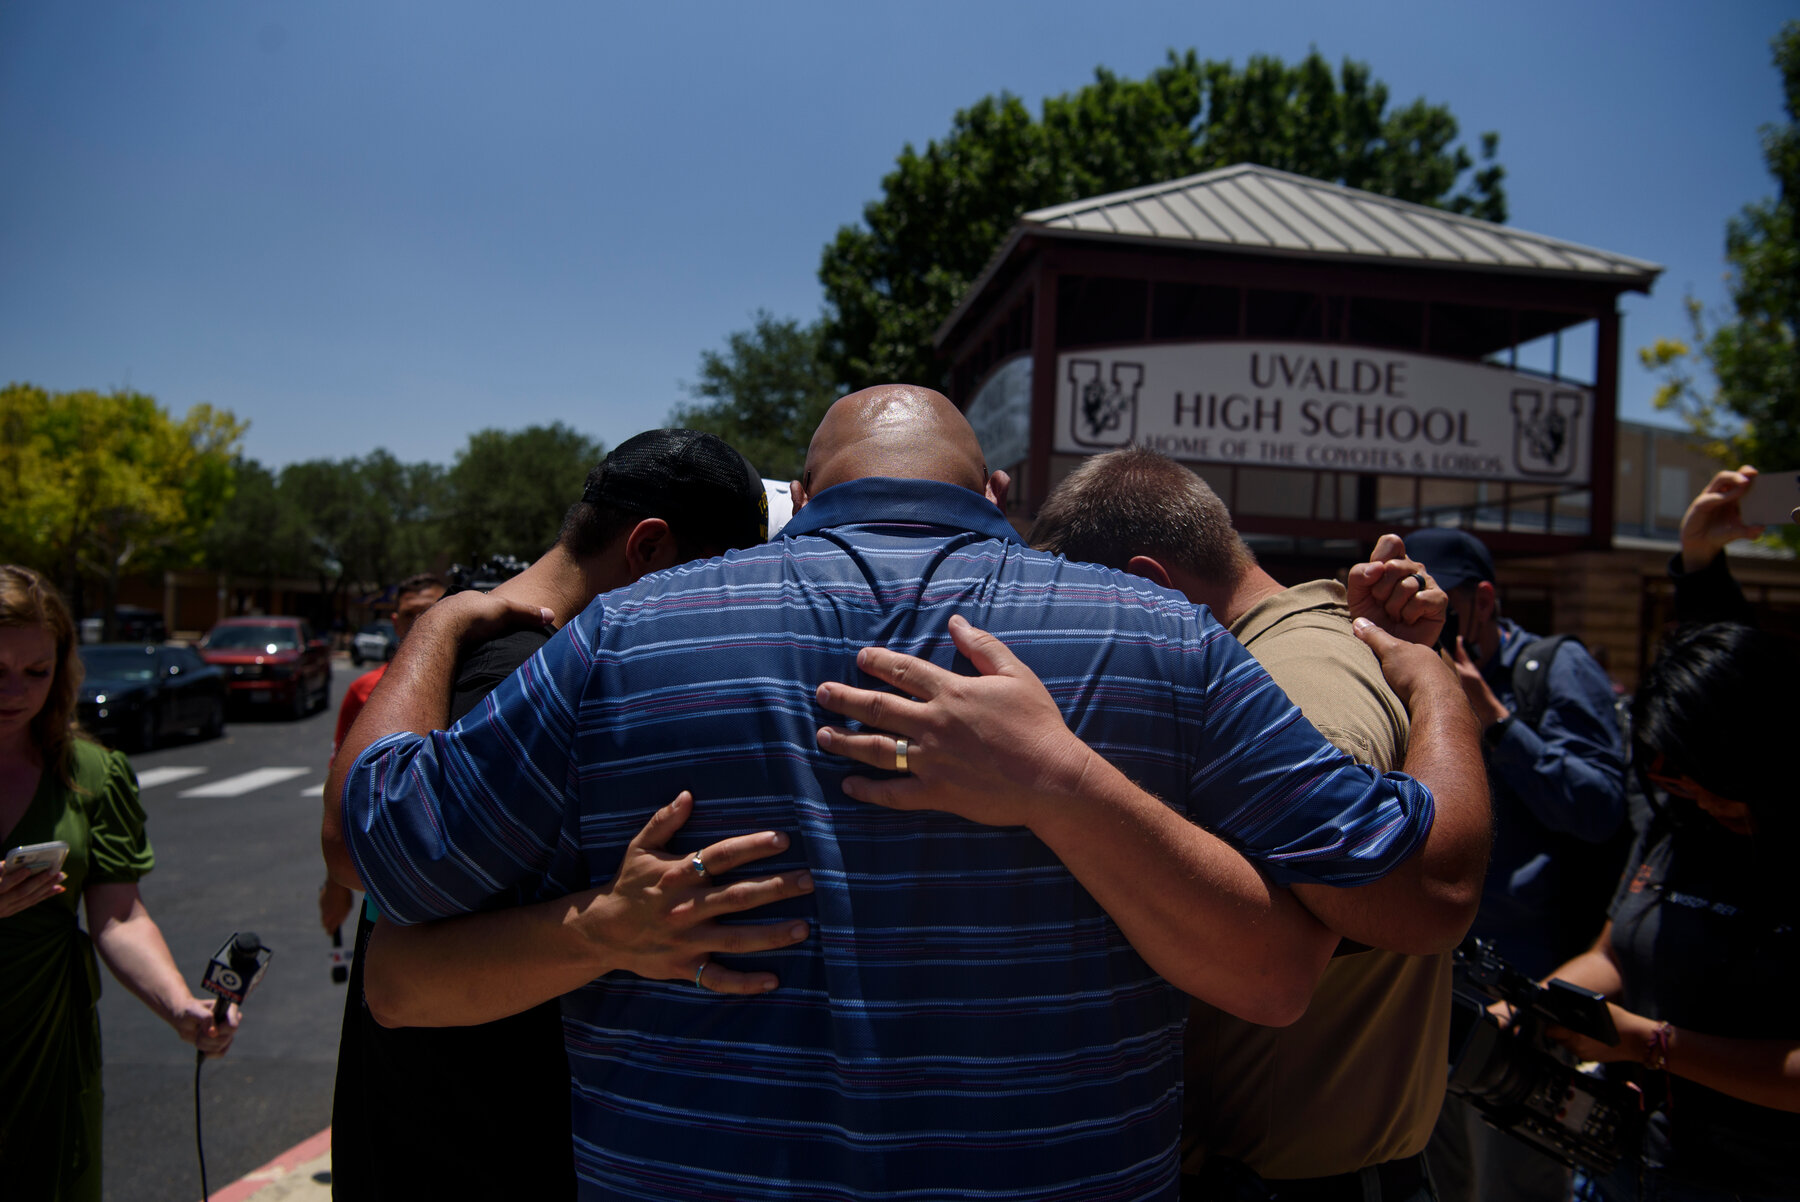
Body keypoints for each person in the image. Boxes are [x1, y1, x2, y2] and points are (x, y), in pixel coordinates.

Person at [326, 386, 1477, 1200]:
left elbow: (391, 847)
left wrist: (434, 629)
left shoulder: (625, 634)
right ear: (993, 488)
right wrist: (1434, 685)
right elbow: (1420, 888)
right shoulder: (1161, 635)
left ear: (809, 489)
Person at [327, 429, 809, 1202]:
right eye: (715, 576)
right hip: (468, 1150)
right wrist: (442, 621)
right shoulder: (518, 678)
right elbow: (362, 860)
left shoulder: (504, 653)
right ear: (648, 549)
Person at [1025, 447, 1486, 1202]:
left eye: (1088, 605)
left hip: (1288, 1178)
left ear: (1146, 584)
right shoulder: (1282, 650)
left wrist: (1439, 691)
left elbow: (1411, 894)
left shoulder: (1294, 684)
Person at [1399, 527, 1627, 1202]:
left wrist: (1495, 719)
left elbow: (1599, 808)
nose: (1425, 612)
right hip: (1436, 997)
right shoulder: (1407, 675)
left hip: (1529, 1004)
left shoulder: (1553, 670)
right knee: (1438, 1181)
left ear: (1485, 600)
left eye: (1439, 597)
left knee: (1515, 1187)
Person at [0, 565, 237, 1202]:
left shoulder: (90, 773)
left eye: (36, 671)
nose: (14, 693)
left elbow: (119, 916)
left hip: (47, 1046)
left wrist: (179, 1006)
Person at [1544, 622, 1800, 1202]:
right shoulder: (1680, 822)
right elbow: (1615, 954)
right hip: (1623, 1165)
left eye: (1713, 778)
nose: (1700, 797)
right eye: (1677, 777)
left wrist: (1652, 1044)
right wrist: (1533, 1004)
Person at [319, 573, 447, 937]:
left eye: (432, 610)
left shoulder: (480, 675)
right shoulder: (364, 691)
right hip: (386, 893)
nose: (421, 622)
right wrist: (336, 884)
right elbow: (341, 792)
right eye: (411, 614)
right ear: (394, 622)